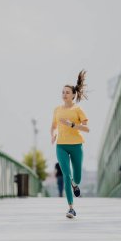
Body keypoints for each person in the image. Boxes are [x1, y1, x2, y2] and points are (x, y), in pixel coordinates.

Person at [50, 70, 90, 219]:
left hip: (76, 146)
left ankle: (75, 183)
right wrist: (53, 134)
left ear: (73, 95)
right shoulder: (57, 110)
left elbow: (86, 128)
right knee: (66, 175)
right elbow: (53, 126)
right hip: (61, 146)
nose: (64, 94)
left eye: (67, 92)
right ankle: (71, 208)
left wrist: (71, 125)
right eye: (63, 92)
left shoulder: (77, 110)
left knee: (76, 177)